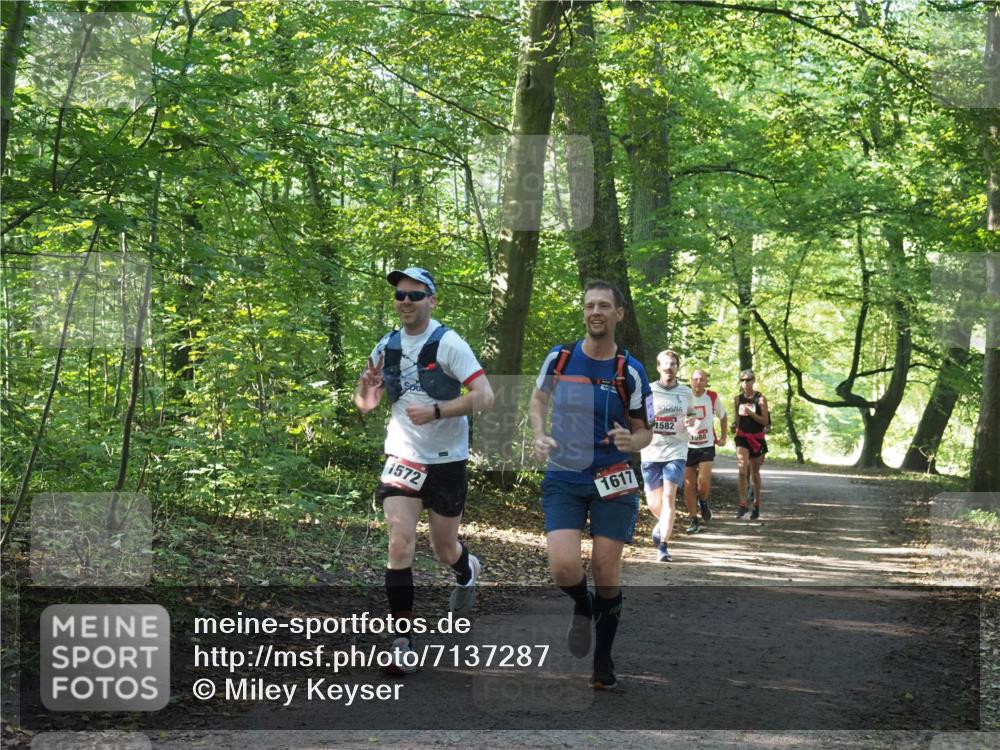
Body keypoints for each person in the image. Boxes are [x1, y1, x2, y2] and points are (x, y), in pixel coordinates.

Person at [355, 267, 495, 675]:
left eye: (415, 295)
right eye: (400, 295)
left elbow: (485, 396)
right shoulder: (386, 345)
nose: (405, 302)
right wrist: (368, 388)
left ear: (432, 300)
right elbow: (364, 404)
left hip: (447, 459)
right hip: (402, 456)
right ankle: (402, 642)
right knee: (399, 545)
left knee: (443, 548)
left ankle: (466, 568)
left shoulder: (449, 343)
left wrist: (437, 410)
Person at [529, 280, 653, 690]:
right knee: (564, 568)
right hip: (565, 472)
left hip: (612, 476)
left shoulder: (630, 371)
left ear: (619, 314)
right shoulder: (561, 358)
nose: (594, 312)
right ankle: (581, 607)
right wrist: (538, 434)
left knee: (605, 570)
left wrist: (631, 442)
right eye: (588, 306)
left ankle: (603, 658)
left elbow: (644, 431)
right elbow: (537, 400)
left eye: (603, 305)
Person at [640, 350, 695, 559]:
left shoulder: (685, 391)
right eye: (665, 364)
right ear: (658, 367)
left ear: (677, 367)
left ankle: (663, 546)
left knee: (669, 497)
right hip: (651, 450)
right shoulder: (649, 391)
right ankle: (663, 523)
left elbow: (691, 413)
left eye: (673, 364)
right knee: (655, 503)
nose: (669, 367)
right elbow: (639, 416)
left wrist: (691, 420)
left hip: (676, 449)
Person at [683, 368, 727, 529]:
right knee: (688, 484)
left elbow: (723, 416)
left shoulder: (712, 397)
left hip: (706, 444)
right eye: (695, 379)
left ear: (706, 381)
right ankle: (694, 519)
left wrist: (723, 437)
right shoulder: (684, 396)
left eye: (701, 379)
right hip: (687, 445)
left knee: (703, 482)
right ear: (690, 381)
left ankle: (703, 501)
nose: (698, 382)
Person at [732, 368, 768, 521]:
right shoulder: (737, 399)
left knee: (754, 473)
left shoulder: (760, 399)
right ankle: (742, 503)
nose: (745, 383)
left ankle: (757, 503)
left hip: (757, 438)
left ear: (754, 381)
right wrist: (734, 426)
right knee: (741, 471)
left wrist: (752, 413)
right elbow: (736, 419)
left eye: (748, 380)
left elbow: (765, 422)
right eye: (742, 380)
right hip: (742, 437)